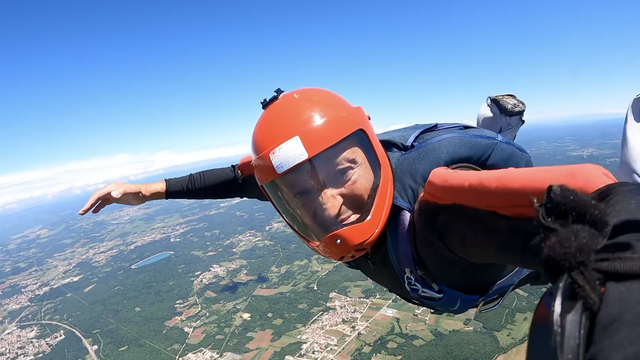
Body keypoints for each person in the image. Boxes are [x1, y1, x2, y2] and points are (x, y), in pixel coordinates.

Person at [77, 88, 614, 315]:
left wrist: (617, 233)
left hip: (485, 261)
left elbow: (572, 218)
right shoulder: (288, 183)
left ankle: (501, 132)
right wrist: (147, 191)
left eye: (344, 171)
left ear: (371, 152)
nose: (328, 199)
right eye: (303, 192)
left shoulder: (438, 208)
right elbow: (235, 179)